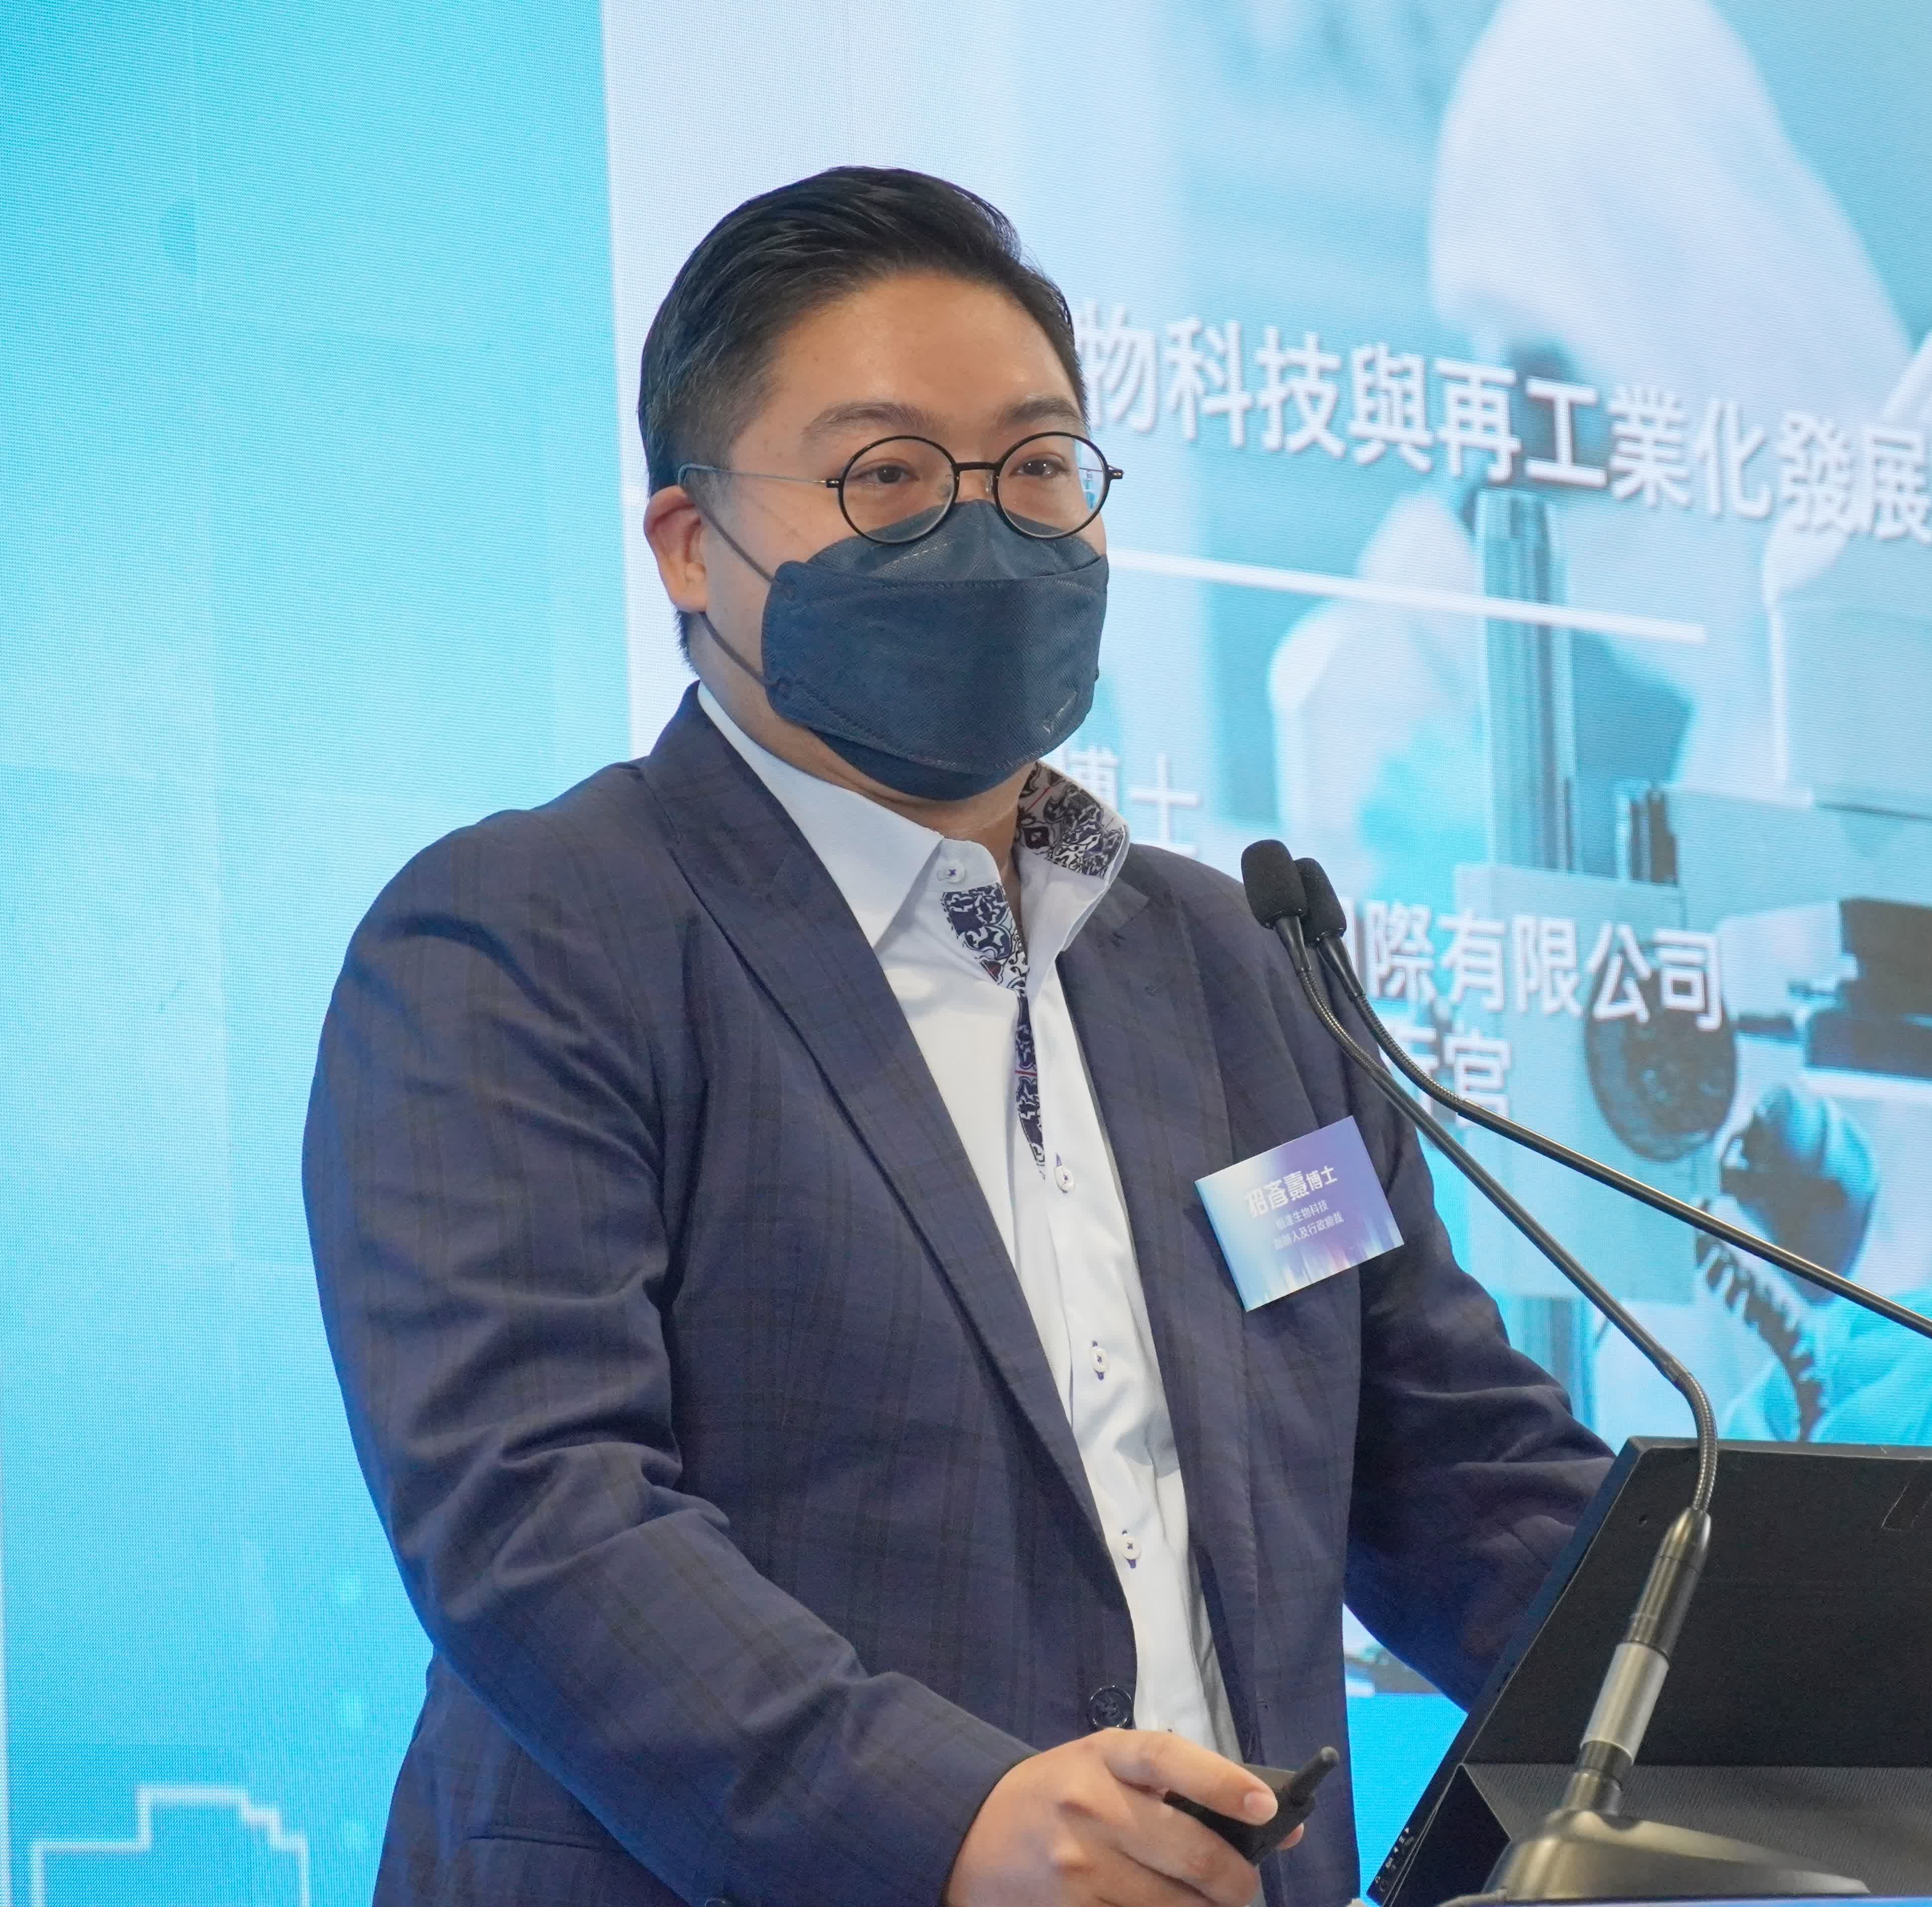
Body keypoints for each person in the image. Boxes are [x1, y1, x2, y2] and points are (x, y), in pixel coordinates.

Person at [303, 167, 1611, 1907]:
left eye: (1040, 467)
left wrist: (1759, 1661)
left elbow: (1450, 1465)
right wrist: (945, 1823)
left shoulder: (1240, 968)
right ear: (691, 543)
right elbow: (534, 1513)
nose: (986, 531)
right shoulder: (528, 934)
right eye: (890, 475)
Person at [1270, 0, 1932, 1439]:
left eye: (1546, 380)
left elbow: (1922, 1317)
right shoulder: (1748, 718)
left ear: (1678, 304)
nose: (1505, 466)